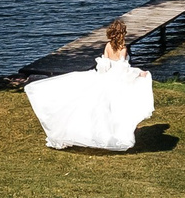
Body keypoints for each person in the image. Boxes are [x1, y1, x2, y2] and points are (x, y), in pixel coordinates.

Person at [22, 19, 154, 152]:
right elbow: (123, 68)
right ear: (122, 34)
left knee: (104, 107)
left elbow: (104, 65)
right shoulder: (123, 48)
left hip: (106, 77)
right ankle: (117, 131)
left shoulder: (108, 46)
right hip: (116, 79)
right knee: (118, 107)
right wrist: (138, 73)